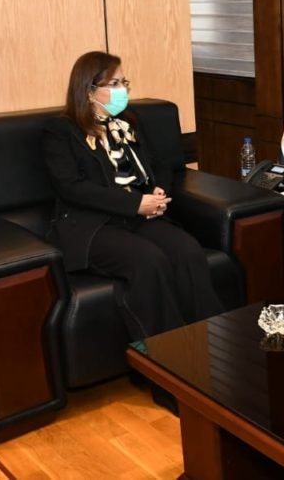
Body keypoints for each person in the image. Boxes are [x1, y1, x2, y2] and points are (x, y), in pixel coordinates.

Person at [43, 51, 223, 340]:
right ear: (89, 91)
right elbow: (70, 187)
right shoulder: (61, 130)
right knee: (148, 261)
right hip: (94, 225)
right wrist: (135, 203)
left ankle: (211, 338)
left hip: (138, 217)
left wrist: (157, 190)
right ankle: (165, 351)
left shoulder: (127, 124)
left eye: (123, 83)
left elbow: (159, 164)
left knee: (188, 250)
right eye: (114, 84)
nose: (123, 90)